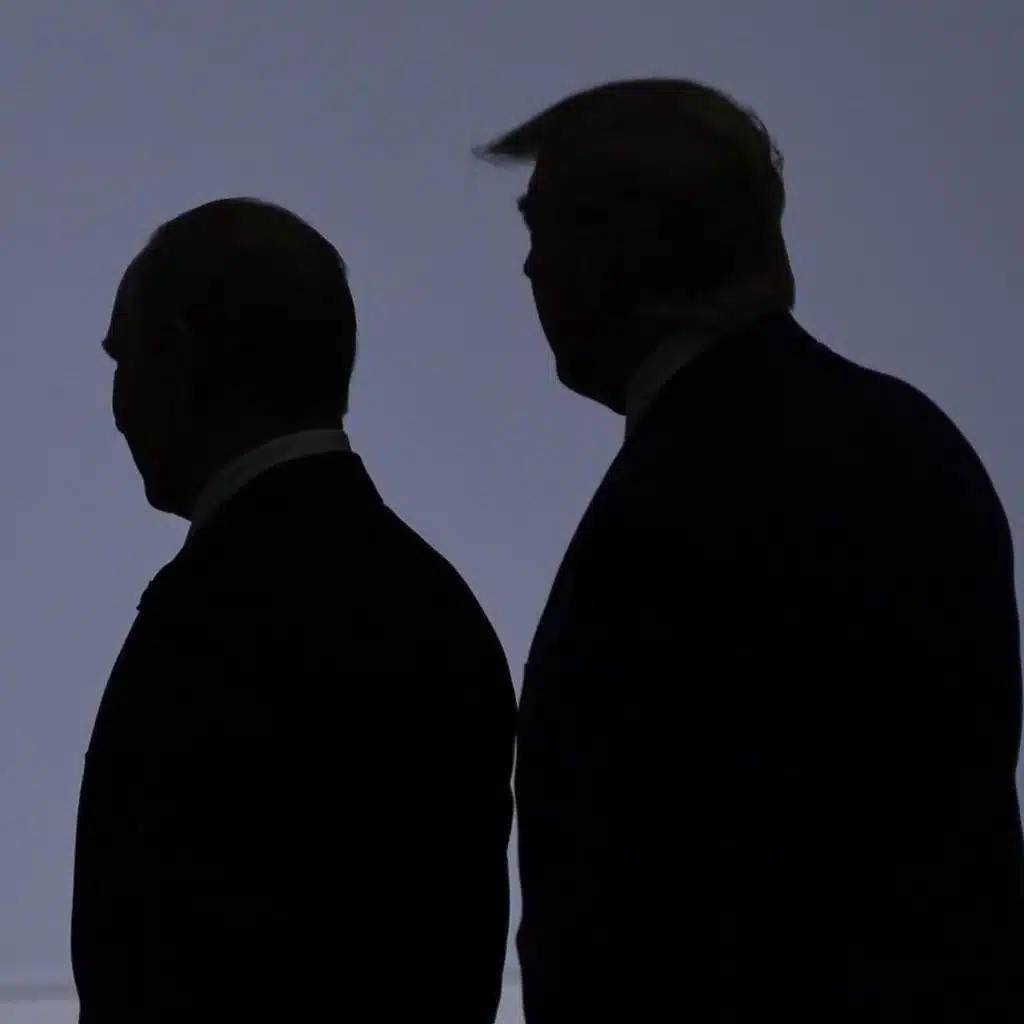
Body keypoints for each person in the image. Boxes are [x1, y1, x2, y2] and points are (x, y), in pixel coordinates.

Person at [477, 78, 1024, 1020]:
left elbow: (662, 870)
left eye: (543, 227)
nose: (529, 269)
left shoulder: (688, 489)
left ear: (623, 245)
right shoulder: (901, 437)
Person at [71, 198, 516, 1022]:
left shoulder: (212, 616)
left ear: (176, 356)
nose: (117, 404)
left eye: (121, 360)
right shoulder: (433, 600)